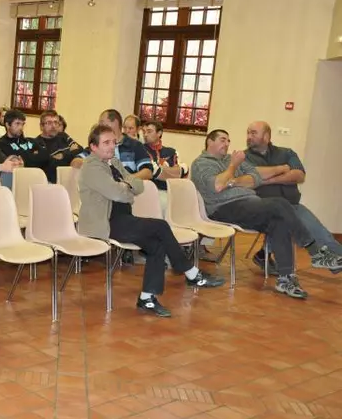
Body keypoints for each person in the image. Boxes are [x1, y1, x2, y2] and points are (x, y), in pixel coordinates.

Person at [77, 125, 223, 317]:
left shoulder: (113, 162)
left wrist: (124, 186)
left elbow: (138, 186)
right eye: (106, 143)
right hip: (104, 223)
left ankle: (147, 298)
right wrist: (124, 188)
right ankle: (190, 273)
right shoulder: (91, 166)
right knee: (160, 226)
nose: (112, 146)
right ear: (93, 147)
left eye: (114, 142)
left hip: (122, 219)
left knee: (156, 244)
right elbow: (117, 194)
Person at [191, 129, 342, 299]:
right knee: (279, 204)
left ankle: (285, 279)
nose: (227, 144)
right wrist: (233, 167)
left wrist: (232, 180)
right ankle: (315, 252)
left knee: (279, 222)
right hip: (223, 208)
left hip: (248, 205)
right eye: (222, 140)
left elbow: (256, 177)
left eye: (228, 140)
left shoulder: (228, 160)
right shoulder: (201, 164)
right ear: (209, 142)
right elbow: (217, 186)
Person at [245, 121, 342, 272]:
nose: (249, 136)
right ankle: (324, 256)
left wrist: (268, 178)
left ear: (266, 136)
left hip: (291, 204)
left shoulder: (286, 153)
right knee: (294, 221)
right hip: (263, 206)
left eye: (253, 133)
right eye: (248, 133)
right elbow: (253, 176)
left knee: (317, 229)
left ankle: (263, 254)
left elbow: (299, 175)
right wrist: (283, 170)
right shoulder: (244, 158)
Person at [142, 121, 188, 212]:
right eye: (144, 132)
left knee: (187, 201)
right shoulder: (141, 150)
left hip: (171, 190)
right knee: (165, 203)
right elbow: (154, 172)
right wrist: (174, 171)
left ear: (159, 133)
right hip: (150, 192)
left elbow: (184, 171)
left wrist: (163, 171)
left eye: (149, 131)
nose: (145, 134)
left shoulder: (171, 151)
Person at [35, 110, 82, 182]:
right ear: (41, 126)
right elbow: (52, 165)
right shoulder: (37, 143)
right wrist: (71, 151)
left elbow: (80, 149)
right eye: (49, 123)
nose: (53, 126)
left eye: (56, 122)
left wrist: (63, 155)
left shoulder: (63, 136)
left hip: (70, 180)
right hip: (52, 183)